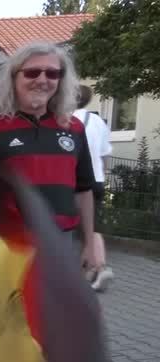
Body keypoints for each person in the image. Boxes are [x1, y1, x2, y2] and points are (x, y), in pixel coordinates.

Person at [0, 42, 100, 299]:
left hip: (60, 242)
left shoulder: (73, 128)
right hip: (3, 243)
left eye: (52, 73)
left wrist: (90, 243)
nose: (42, 80)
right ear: (13, 77)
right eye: (32, 72)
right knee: (8, 320)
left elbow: (84, 190)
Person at [73, 85, 114, 292]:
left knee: (77, 229)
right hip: (97, 179)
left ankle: (99, 266)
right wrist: (103, 175)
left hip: (76, 181)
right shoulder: (97, 121)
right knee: (91, 227)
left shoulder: (66, 119)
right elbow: (106, 154)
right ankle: (89, 273)